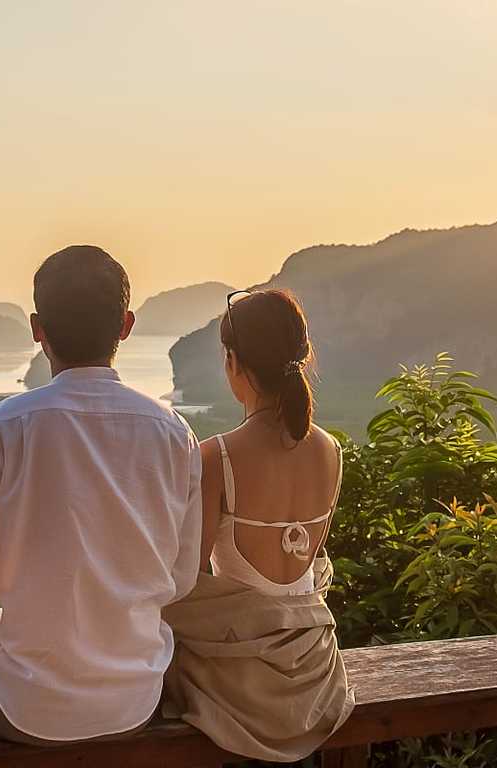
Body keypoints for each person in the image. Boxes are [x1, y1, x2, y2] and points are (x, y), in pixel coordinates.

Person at [0, 245, 203, 745]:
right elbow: (181, 574)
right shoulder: (174, 432)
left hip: (25, 704)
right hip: (136, 697)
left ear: (38, 328)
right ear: (126, 325)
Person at [160, 288, 354, 762]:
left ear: (233, 363)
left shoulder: (217, 456)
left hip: (241, 677)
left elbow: (191, 581)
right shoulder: (331, 450)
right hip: (315, 668)